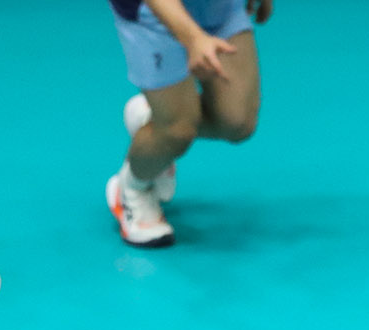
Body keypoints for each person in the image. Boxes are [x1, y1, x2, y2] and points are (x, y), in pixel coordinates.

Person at [104, 0, 273, 247]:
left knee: (237, 122)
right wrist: (193, 38)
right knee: (178, 130)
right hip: (151, 12)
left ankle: (155, 121)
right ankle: (132, 189)